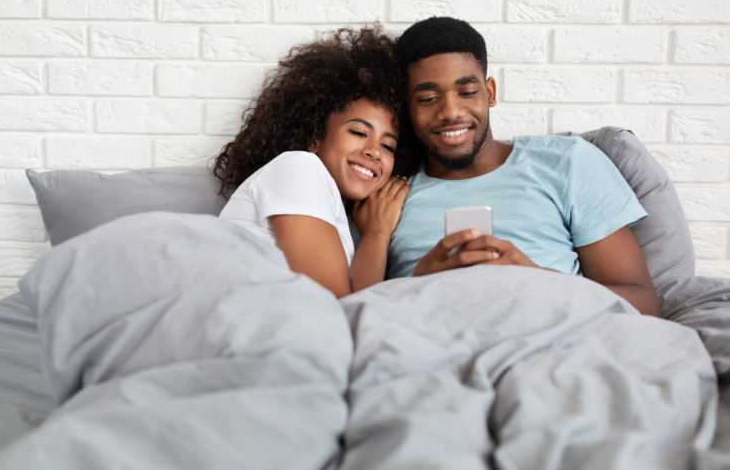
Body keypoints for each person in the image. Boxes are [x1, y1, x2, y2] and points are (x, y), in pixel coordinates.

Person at [388, 17, 662, 317]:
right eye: (428, 98)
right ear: (405, 106)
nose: (452, 112)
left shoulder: (568, 163)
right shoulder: (386, 194)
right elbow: (352, 315)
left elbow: (645, 308)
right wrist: (417, 288)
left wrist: (538, 281)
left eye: (467, 92)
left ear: (490, 92)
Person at [213, 26, 414, 299]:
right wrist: (377, 233)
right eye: (358, 132)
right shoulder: (298, 168)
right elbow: (339, 307)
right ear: (314, 136)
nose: (374, 151)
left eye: (388, 145)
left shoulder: (335, 215)